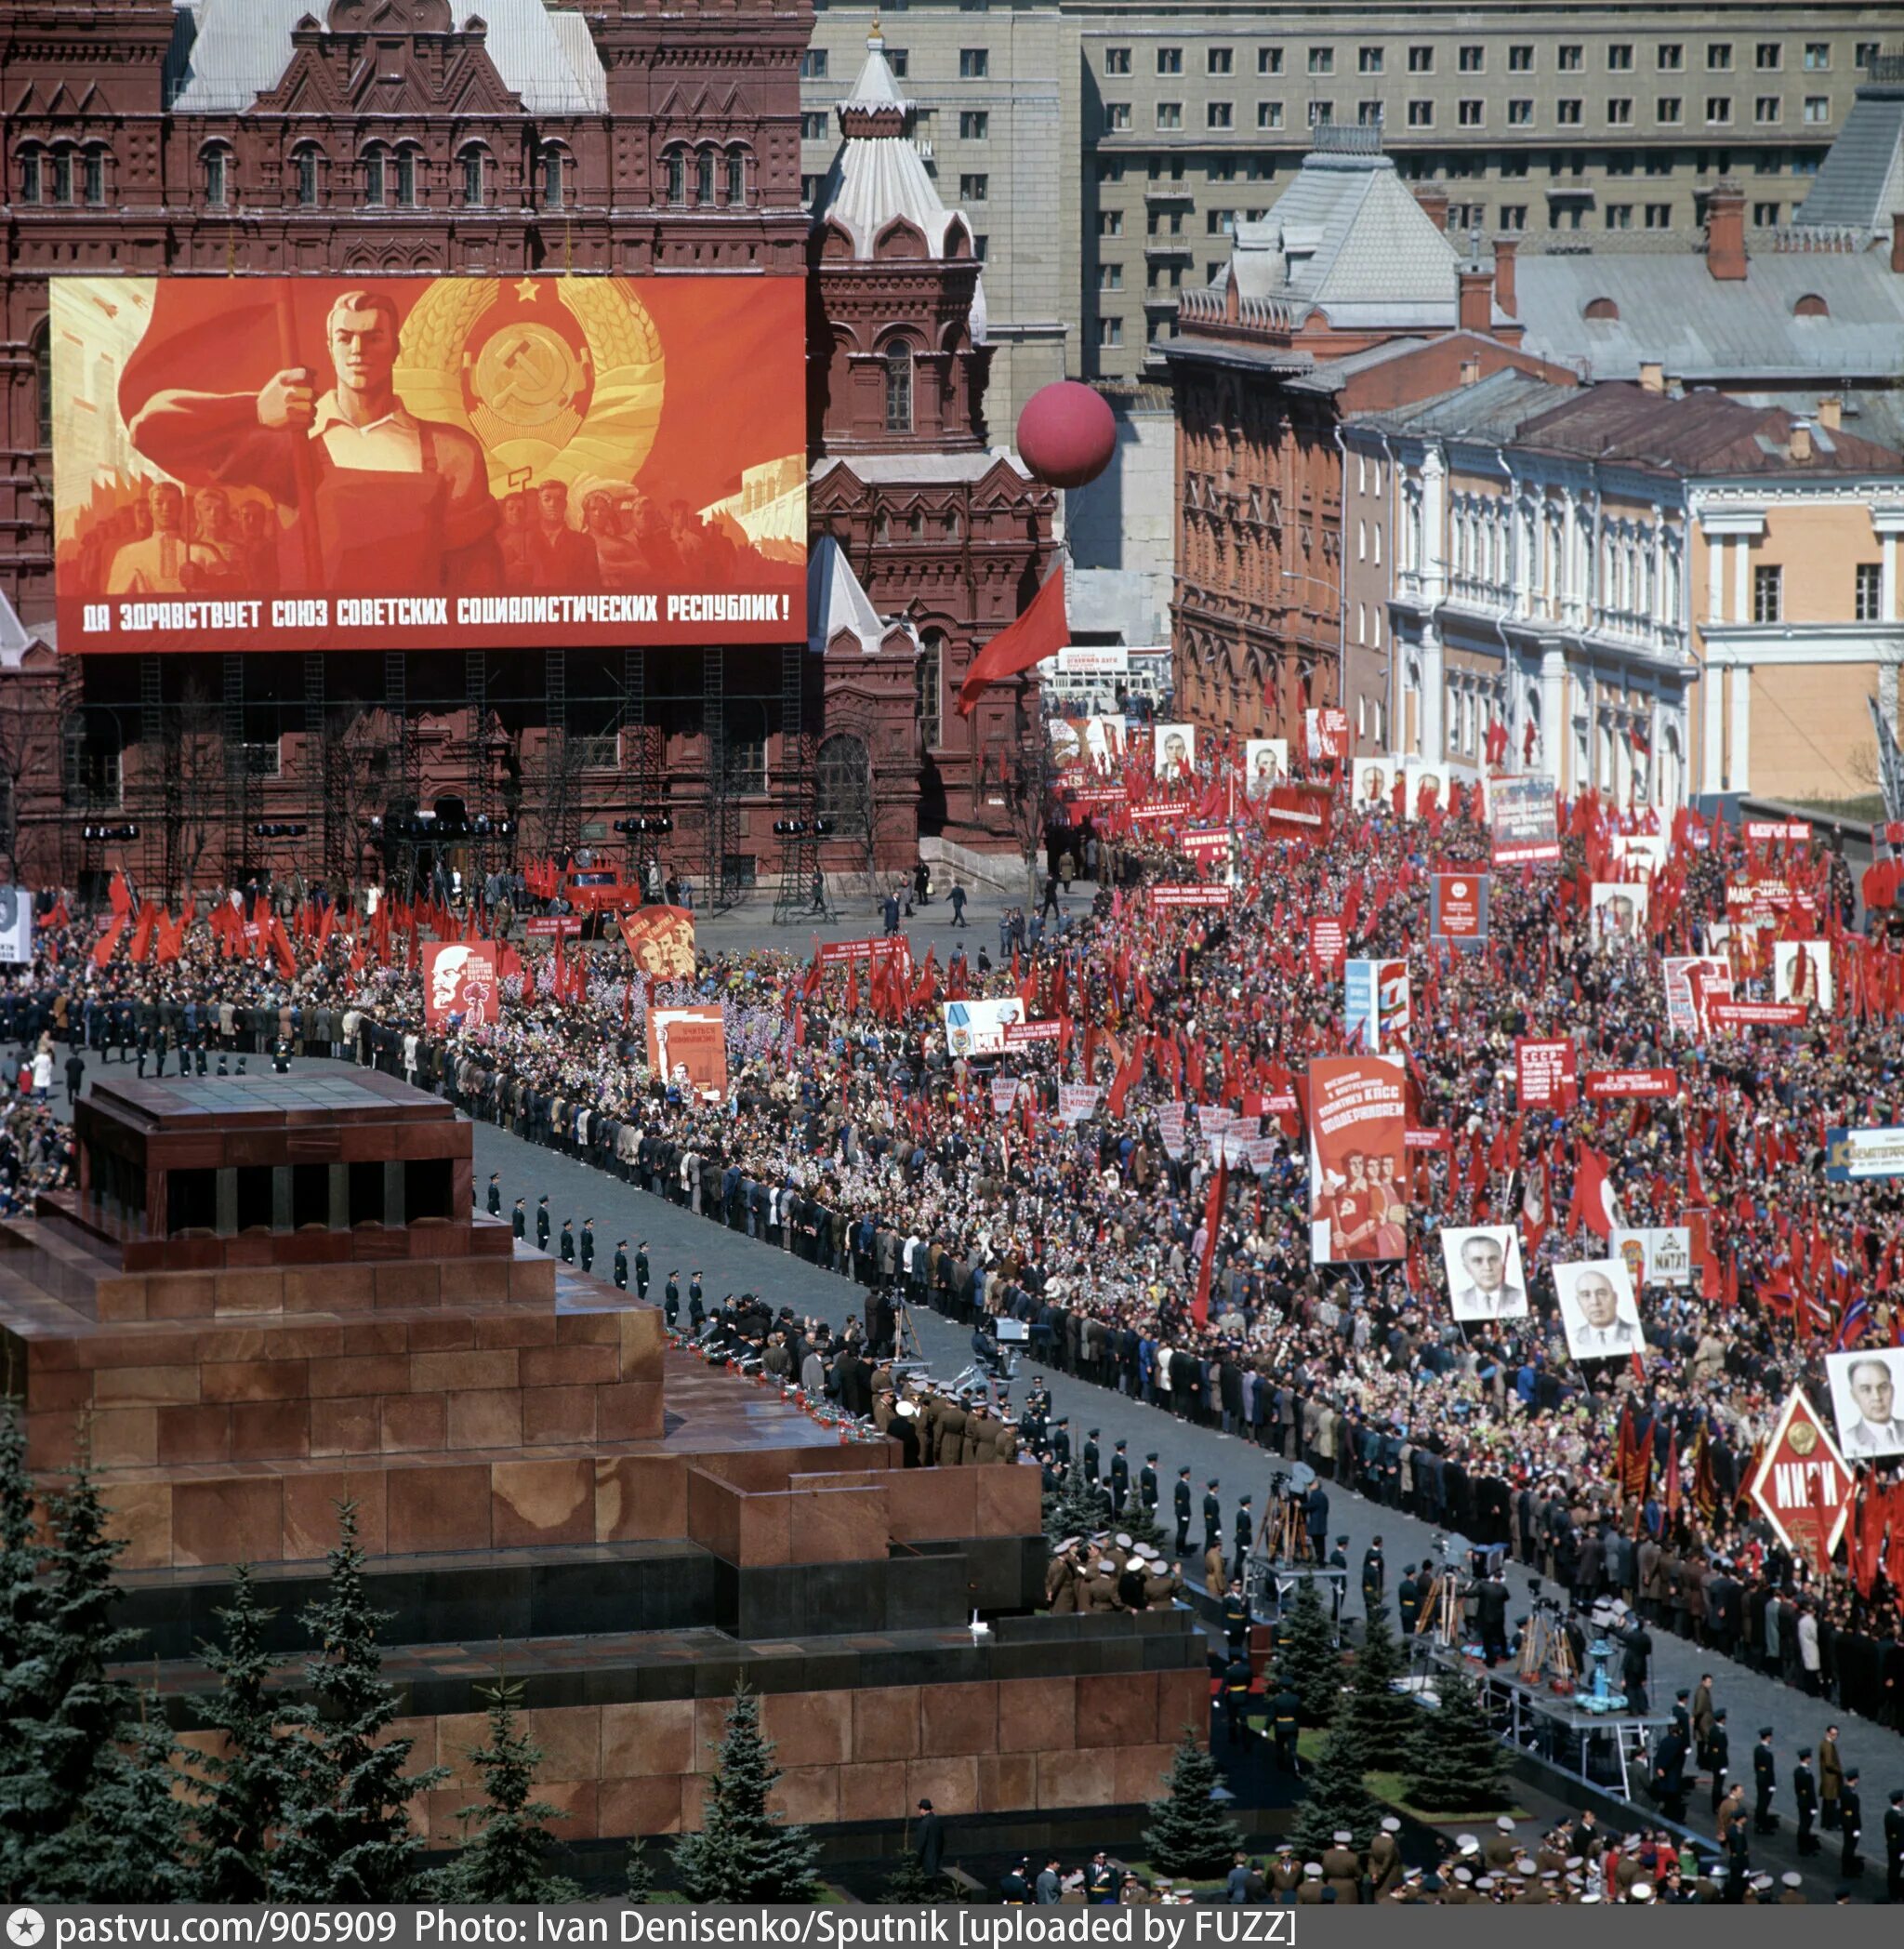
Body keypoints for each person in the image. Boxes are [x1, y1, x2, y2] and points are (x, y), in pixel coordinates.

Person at [126, 287, 500, 595]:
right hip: (317, 656)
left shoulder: (453, 452)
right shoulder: (293, 446)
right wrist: (253, 409)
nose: (358, 350)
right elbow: (149, 428)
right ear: (329, 346)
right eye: (345, 338)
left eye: (373, 337)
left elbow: (478, 586)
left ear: (396, 347)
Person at [1448, 1230, 1527, 1320]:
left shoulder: (1519, 1297)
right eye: (1477, 1261)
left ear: (1502, 1262)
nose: (1488, 1267)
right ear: (1467, 1268)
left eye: (1493, 1259)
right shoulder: (1460, 1300)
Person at [1564, 1267, 1640, 1355]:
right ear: (1578, 1302)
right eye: (1586, 1295)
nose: (1595, 1302)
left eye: (1601, 1293)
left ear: (1615, 1298)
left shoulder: (1634, 1332)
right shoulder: (1575, 1337)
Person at [1840, 1356, 1904, 1454]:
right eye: (1866, 1389)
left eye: (1883, 1387)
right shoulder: (1849, 1439)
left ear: (1892, 1390)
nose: (1877, 1397)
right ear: (1854, 1396)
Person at [1793, 1746, 1819, 1856]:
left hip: (1801, 1801)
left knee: (1803, 1825)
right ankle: (1803, 1848)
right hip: (1807, 1803)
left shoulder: (1798, 1771)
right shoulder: (1805, 1773)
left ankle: (1803, 1846)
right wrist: (1814, 1806)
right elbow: (1810, 1791)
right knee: (1805, 1825)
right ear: (1807, 1758)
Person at [912, 1798, 945, 1882]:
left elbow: (920, 1845)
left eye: (920, 1808)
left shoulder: (924, 1824)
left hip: (926, 1865)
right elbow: (942, 1841)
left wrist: (915, 1865)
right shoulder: (937, 1821)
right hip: (937, 1862)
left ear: (922, 1809)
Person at [1752, 1727, 1778, 1833]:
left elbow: (1756, 1765)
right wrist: (1772, 1784)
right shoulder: (1767, 1753)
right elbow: (1770, 1770)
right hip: (1766, 1781)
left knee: (1760, 1801)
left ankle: (1758, 1821)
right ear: (1767, 1737)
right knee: (1764, 1803)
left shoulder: (1757, 1749)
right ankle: (1761, 1825)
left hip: (1759, 1777)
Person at [1840, 1767, 1863, 1879]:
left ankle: (1846, 1868)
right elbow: (1853, 1812)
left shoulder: (1845, 1790)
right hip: (1851, 1824)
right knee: (1850, 1847)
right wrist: (1855, 1828)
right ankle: (1847, 1869)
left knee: (1848, 1846)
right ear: (1855, 1779)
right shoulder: (1850, 1794)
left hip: (1846, 1822)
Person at [1820, 1727, 1844, 1830]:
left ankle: (1824, 1822)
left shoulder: (1824, 1743)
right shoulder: (1828, 1746)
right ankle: (1829, 1824)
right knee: (1831, 1803)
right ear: (1828, 1733)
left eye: (1836, 1734)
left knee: (1826, 1803)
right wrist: (1839, 1770)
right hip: (1831, 1779)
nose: (1835, 1737)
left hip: (1826, 1778)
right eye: (1833, 1734)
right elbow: (1829, 1764)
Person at [1884, 1788, 1903, 1904]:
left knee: (1892, 1870)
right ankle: (1895, 1894)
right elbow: (1901, 1837)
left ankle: (1892, 1891)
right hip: (1899, 1849)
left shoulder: (1889, 1813)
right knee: (1896, 1870)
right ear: (1900, 1801)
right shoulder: (1899, 1817)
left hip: (1891, 1845)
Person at [1174, 1465, 1193, 1557]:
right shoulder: (1182, 1487)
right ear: (1185, 1475)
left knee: (1183, 1531)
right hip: (1183, 1512)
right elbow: (1182, 1502)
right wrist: (1184, 1514)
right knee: (1182, 1532)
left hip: (1181, 1512)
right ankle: (1179, 1550)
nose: (1190, 1475)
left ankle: (1182, 1548)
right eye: (1188, 1474)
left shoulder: (1180, 1485)